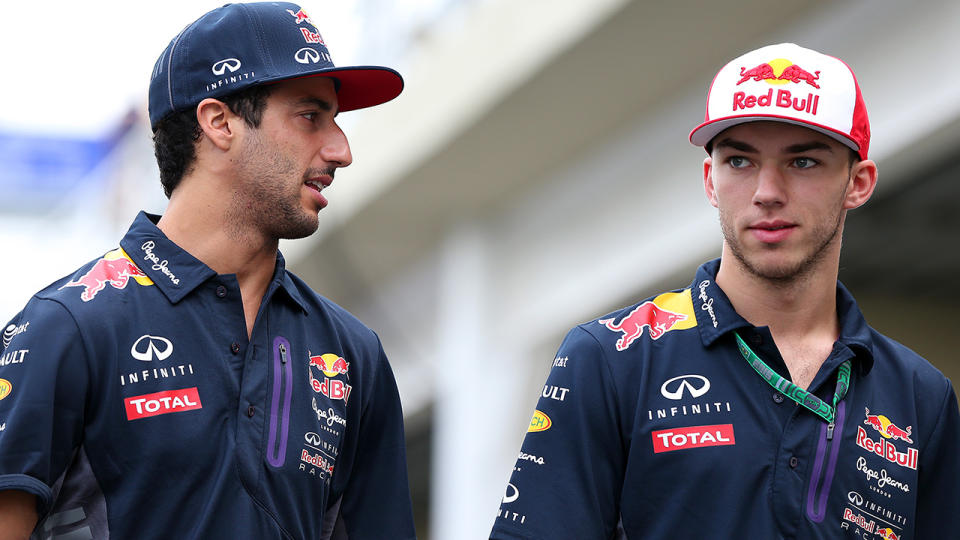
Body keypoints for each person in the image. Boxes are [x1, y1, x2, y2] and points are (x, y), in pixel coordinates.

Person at [489, 43, 960, 539]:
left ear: (858, 183)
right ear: (710, 180)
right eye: (740, 161)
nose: (767, 191)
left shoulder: (919, 395)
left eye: (803, 163)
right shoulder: (613, 357)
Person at [0, 3, 416, 538]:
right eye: (311, 116)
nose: (341, 150)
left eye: (336, 121)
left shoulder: (353, 354)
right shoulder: (69, 325)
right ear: (220, 122)